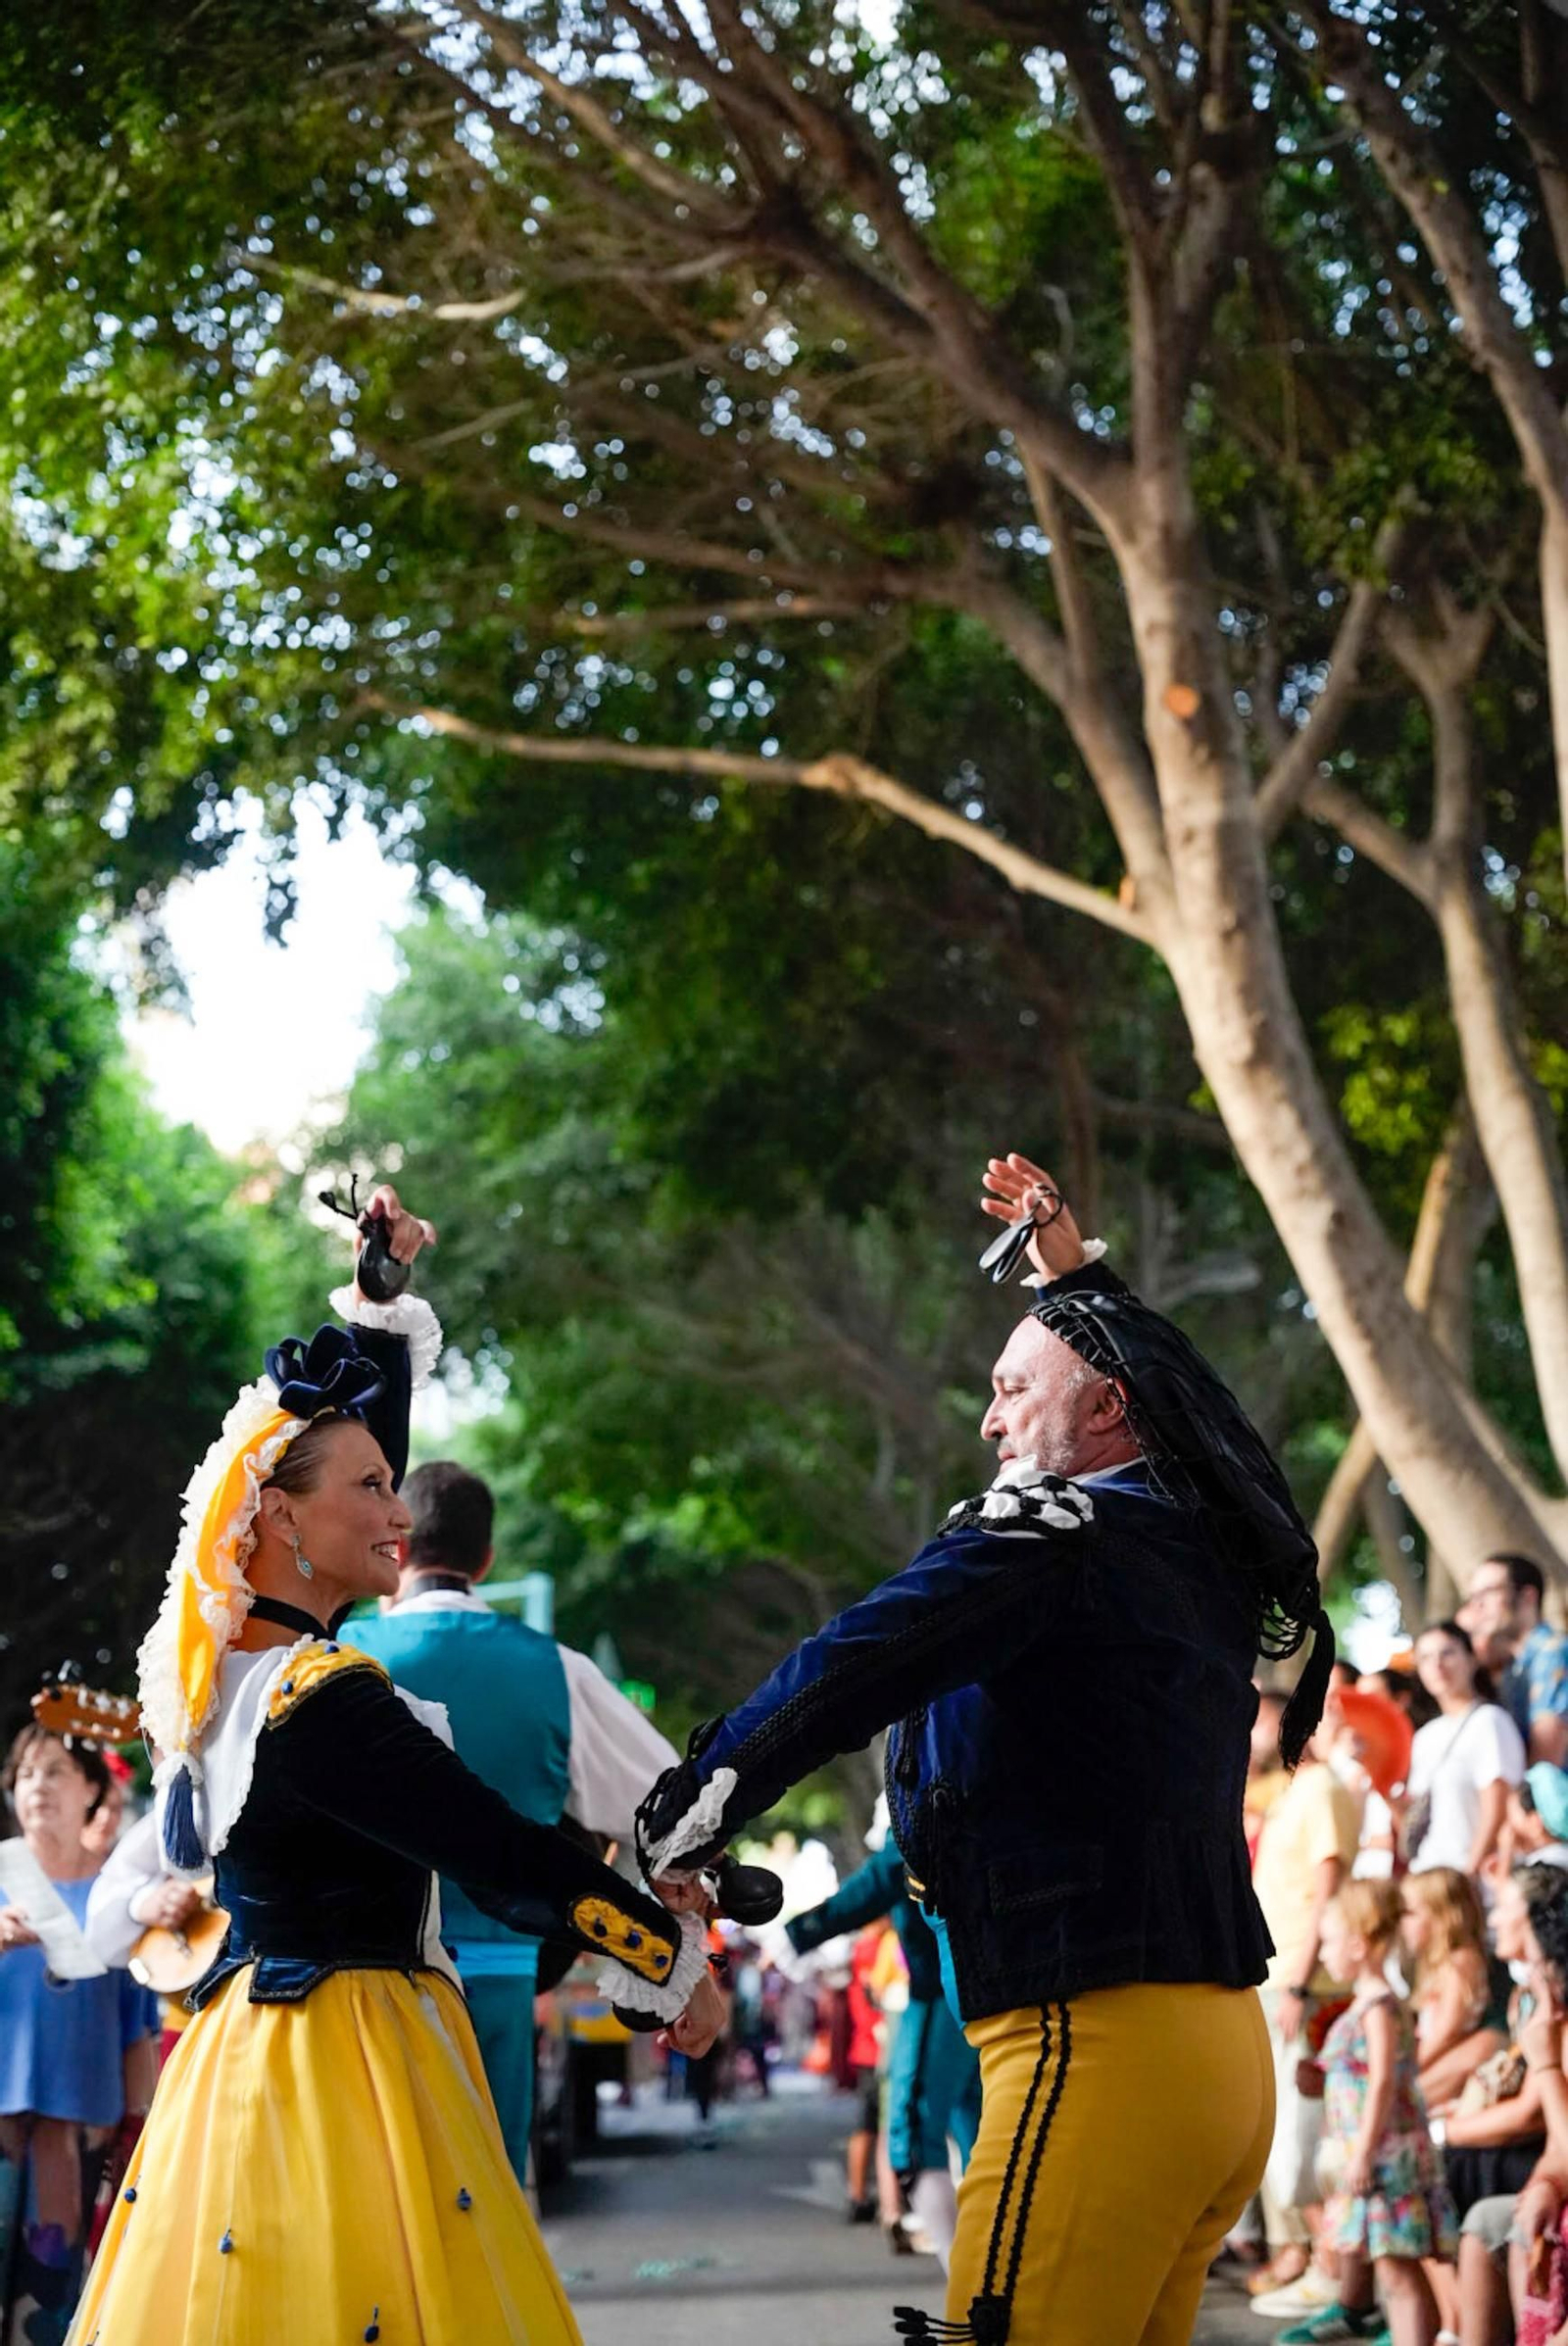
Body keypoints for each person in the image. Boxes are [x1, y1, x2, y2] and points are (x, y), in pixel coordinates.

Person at [631, 1149, 1334, 2346]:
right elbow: (1199, 1409)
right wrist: (1081, 1285)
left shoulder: (1052, 1536)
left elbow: (848, 1666)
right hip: (1217, 2062)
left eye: (1013, 1388)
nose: (988, 1418)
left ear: (1106, 1409)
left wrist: (684, 1811)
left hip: (1089, 2050)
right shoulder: (1196, 1549)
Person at [68, 1187, 720, 2346]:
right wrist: (670, 1964)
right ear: (279, 1519)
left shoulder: (228, 1678)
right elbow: (500, 1851)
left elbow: (332, 1466)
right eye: (372, 1492)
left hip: (245, 2050)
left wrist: (378, 1313)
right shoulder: (320, 1701)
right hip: (344, 2062)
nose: (398, 1515)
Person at [344, 1458, 679, 2179]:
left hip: (360, 1989)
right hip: (501, 1983)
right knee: (487, 2197)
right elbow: (672, 1811)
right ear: (486, 1559)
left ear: (397, 1544)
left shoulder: (337, 1662)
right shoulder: (556, 1668)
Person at [0, 1725, 158, 2344]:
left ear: (92, 1788)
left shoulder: (116, 1895)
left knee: (51, 2305)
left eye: (56, 1772)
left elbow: (137, 2027)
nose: (38, 1786)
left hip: (84, 2125)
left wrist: (141, 2133)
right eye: (27, 1774)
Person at [787, 1810, 982, 2268]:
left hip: (942, 1996)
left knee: (912, 2141)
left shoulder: (921, 1796)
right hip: (987, 1995)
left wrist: (796, 1933)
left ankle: (971, 2283)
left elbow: (884, 1875)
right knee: (985, 2139)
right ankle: (995, 2279)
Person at [1296, 1881, 1454, 2346]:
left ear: (1358, 1944)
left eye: (1329, 1943)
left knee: (1397, 2270)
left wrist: (1364, 2153)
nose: (1324, 1955)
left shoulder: (1379, 2007)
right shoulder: (1368, 2005)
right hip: (1373, 2153)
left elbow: (1384, 2079)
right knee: (1392, 2267)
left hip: (1384, 2159)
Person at [1250, 1717, 1365, 2309]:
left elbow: (1329, 1886)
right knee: (1280, 2129)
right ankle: (1300, 2252)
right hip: (1280, 1977)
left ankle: (1324, 2263)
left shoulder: (1322, 1788)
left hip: (1306, 1982)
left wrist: (1298, 1981)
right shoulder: (1290, 1791)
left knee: (1302, 2131)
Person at [1405, 1622, 1525, 1880]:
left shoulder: (1490, 1721)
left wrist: (1468, 1876)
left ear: (1472, 1659)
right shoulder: (1425, 1737)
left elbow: (1499, 1808)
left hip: (1471, 1881)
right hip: (1426, 1879)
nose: (1437, 1665)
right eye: (1425, 1658)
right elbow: (1414, 1817)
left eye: (1447, 1653)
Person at [1399, 1869, 1505, 2113]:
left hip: (1455, 2070)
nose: (1402, 1923)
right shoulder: (1438, 1965)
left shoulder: (1460, 1963)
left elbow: (1448, 2032)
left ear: (1442, 1917)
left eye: (1411, 1913)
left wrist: (1408, 2068)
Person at [1467, 1555, 1568, 1769]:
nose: (1477, 1605)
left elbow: (1546, 1764)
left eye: (1489, 1592)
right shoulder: (1515, 1668)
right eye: (1473, 1596)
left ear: (1528, 1596)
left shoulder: (1553, 1653)